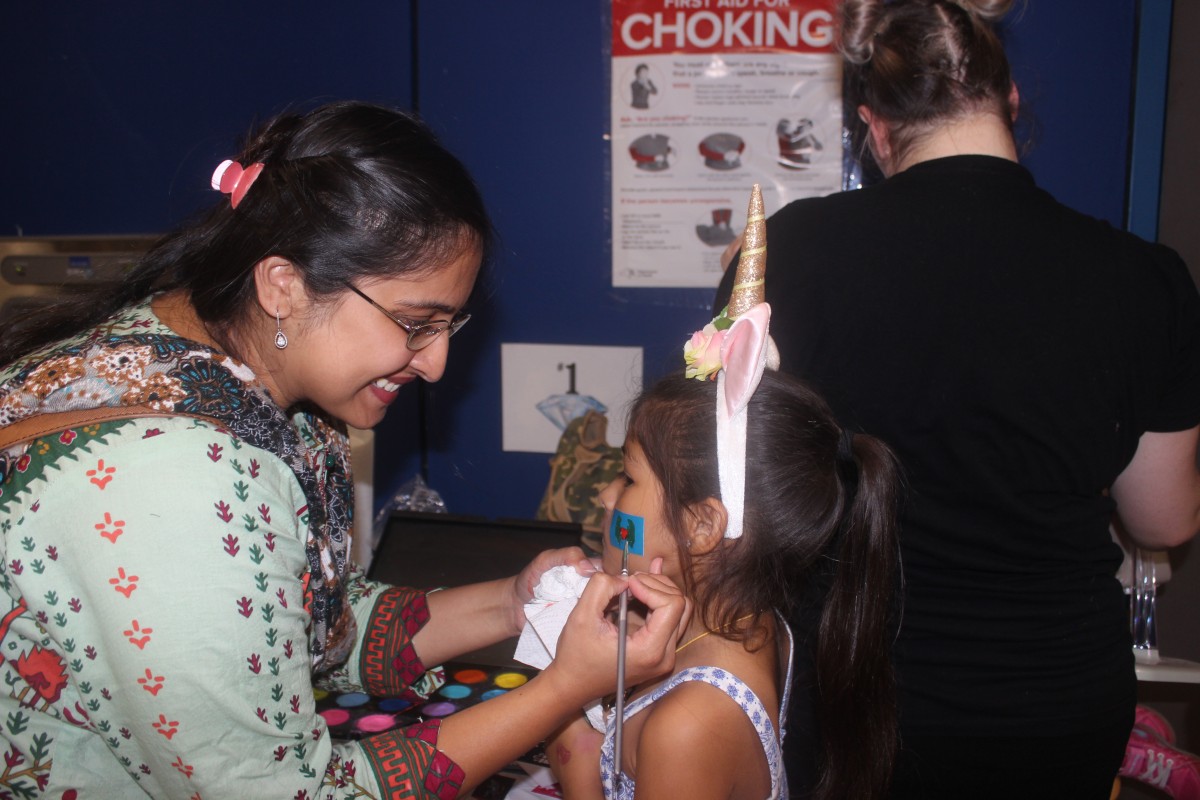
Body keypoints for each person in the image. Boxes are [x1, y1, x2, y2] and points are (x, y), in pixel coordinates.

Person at [0, 101, 688, 799]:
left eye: (450, 325)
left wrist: (515, 604)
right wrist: (566, 688)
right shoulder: (173, 485)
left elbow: (305, 627)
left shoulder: (237, 379)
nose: (437, 364)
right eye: (416, 323)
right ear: (283, 286)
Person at [714, 1, 1200, 797]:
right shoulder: (1146, 279)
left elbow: (735, 490)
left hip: (852, 696)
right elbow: (1164, 520)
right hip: (1056, 707)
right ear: (1010, 104)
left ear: (874, 129)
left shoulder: (786, 253)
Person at [549, 188, 902, 800]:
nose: (608, 498)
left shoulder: (690, 725)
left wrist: (575, 750)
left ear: (705, 525)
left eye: (629, 478)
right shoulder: (748, 623)